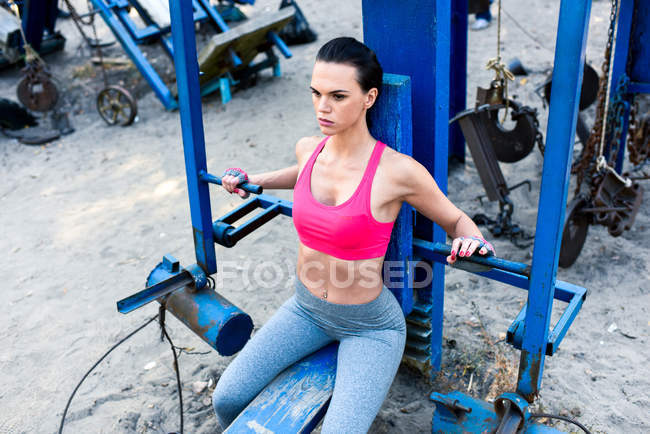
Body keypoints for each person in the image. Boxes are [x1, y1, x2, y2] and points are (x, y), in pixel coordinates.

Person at [213, 37, 495, 433]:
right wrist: (256, 180)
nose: (322, 107)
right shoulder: (308, 149)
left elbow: (458, 221)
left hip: (369, 326)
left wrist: (470, 240)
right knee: (227, 400)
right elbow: (302, 174)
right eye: (316, 93)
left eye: (338, 96)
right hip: (305, 309)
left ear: (369, 97)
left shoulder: (397, 172)